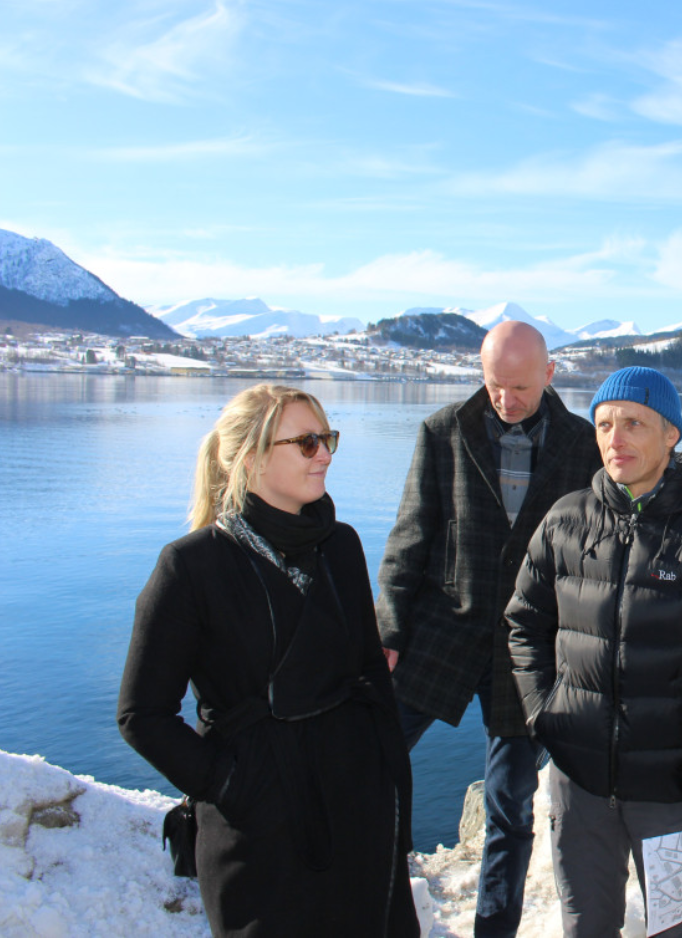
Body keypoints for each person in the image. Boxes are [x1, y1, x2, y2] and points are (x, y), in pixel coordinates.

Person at [117, 384, 419, 938]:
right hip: (261, 826)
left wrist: (387, 775)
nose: (325, 454)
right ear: (252, 459)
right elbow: (142, 715)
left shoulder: (341, 546)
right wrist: (232, 785)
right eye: (306, 443)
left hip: (358, 805)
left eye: (326, 438)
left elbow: (369, 671)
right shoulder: (190, 567)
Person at [506, 366, 682, 938]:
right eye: (605, 424)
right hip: (579, 783)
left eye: (634, 422)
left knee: (675, 931)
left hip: (674, 793)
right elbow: (524, 623)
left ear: (671, 435)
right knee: (585, 926)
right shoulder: (566, 521)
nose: (616, 437)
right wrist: (544, 713)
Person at [375, 320, 599, 937]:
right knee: (370, 757)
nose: (506, 400)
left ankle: (493, 930)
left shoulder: (584, 445)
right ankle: (377, 902)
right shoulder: (442, 431)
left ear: (550, 375)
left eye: (520, 387)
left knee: (509, 808)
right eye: (495, 385)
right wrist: (389, 630)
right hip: (442, 635)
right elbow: (410, 536)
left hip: (531, 651)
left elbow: (596, 558)